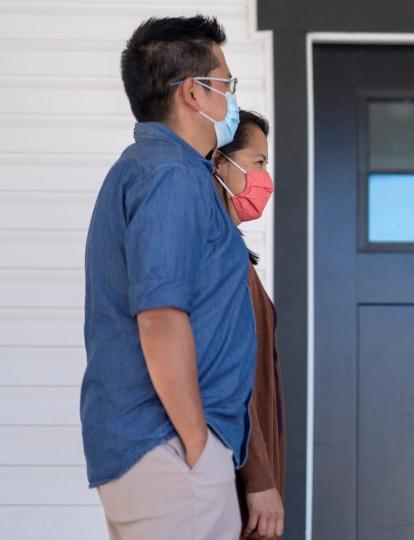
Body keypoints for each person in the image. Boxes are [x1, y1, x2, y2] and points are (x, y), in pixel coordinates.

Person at [80, 16, 255, 540]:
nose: (230, 98)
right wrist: (197, 445)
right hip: (171, 451)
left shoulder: (150, 168)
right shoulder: (171, 175)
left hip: (158, 449)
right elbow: (159, 318)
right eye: (225, 83)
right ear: (192, 93)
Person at [208, 110, 285, 540]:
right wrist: (259, 477)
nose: (265, 178)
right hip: (235, 477)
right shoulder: (221, 256)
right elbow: (230, 376)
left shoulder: (233, 252)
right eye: (258, 162)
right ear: (220, 162)